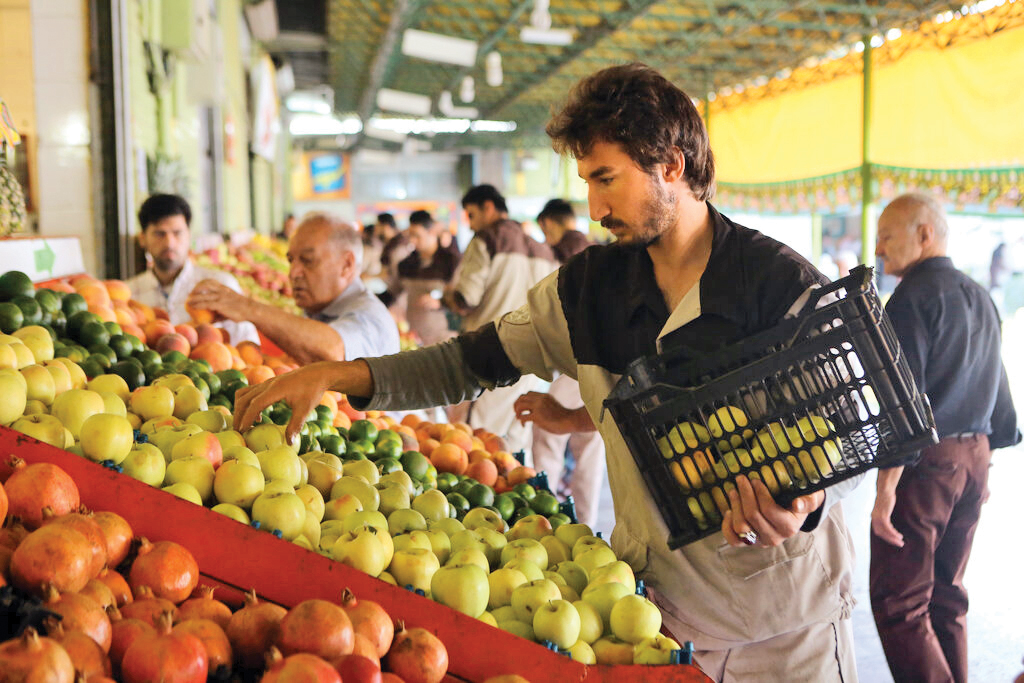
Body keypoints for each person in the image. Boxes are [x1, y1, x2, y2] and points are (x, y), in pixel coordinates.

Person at [231, 63, 860, 681]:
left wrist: (808, 499)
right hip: (656, 621)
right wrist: (338, 375)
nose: (594, 207)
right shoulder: (588, 291)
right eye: (586, 181)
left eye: (607, 179)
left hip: (787, 632)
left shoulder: (779, 287)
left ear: (672, 164)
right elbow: (465, 363)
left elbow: (848, 430)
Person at [870, 193, 1019, 683]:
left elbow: (903, 401)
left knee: (900, 602)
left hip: (928, 464)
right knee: (946, 596)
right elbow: (997, 387)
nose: (878, 249)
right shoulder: (979, 294)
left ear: (925, 234)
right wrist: (985, 467)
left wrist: (886, 486)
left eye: (887, 235)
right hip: (974, 459)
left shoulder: (910, 299)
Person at [187, 213, 400, 365]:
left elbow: (333, 351)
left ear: (347, 265)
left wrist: (248, 308)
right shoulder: (320, 309)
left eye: (307, 260)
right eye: (291, 260)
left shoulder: (370, 317)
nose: (294, 272)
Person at [442, 184, 557, 454]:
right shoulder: (542, 248)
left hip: (492, 354)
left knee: (477, 446)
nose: (470, 225)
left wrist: (447, 297)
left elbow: (466, 298)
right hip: (534, 361)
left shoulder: (487, 239)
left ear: (488, 208)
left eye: (471, 215)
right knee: (515, 447)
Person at [513, 198, 605, 527]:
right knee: (589, 450)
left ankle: (545, 515)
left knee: (548, 434)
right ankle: (586, 525)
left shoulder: (569, 251)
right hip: (598, 366)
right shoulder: (589, 248)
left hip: (579, 365)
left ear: (549, 224)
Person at [127, 193, 259, 345]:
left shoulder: (220, 286)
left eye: (177, 233)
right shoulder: (129, 295)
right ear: (142, 239)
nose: (169, 243)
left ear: (189, 235)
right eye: (159, 234)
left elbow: (248, 346)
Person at [380, 210, 461, 347]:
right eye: (410, 235)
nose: (412, 241)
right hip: (414, 338)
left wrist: (441, 302)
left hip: (446, 338)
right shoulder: (406, 265)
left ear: (432, 232)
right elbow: (393, 291)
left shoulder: (451, 262)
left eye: (417, 236)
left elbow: (463, 298)